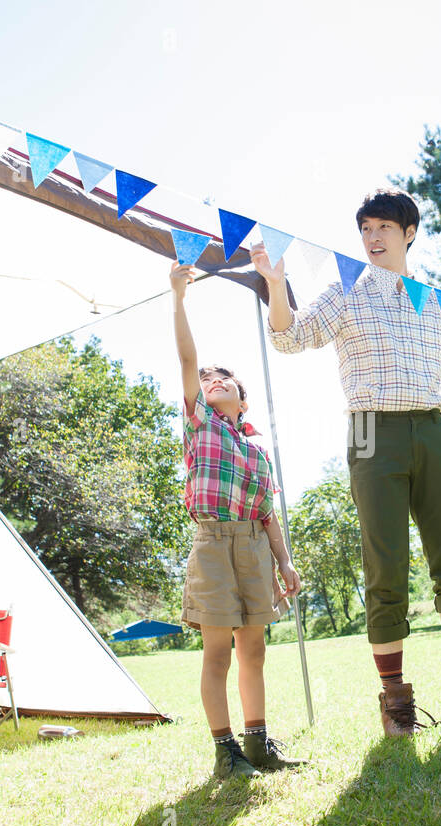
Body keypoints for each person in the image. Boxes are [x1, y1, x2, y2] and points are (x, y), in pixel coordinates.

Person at [251, 188, 441, 736]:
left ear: (409, 233)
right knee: (386, 562)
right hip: (371, 430)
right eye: (366, 230)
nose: (373, 239)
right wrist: (276, 286)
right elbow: (289, 338)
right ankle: (395, 702)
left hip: (433, 429)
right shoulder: (343, 290)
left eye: (384, 229)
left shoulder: (437, 301)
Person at [171, 260, 305, 777]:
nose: (211, 380)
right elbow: (188, 358)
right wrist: (179, 299)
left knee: (254, 651)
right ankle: (225, 752)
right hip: (212, 544)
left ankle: (258, 744)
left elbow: (268, 516)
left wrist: (285, 565)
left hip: (253, 547)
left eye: (223, 377)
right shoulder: (199, 423)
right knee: (218, 654)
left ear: (242, 397)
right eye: (206, 380)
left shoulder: (255, 450)